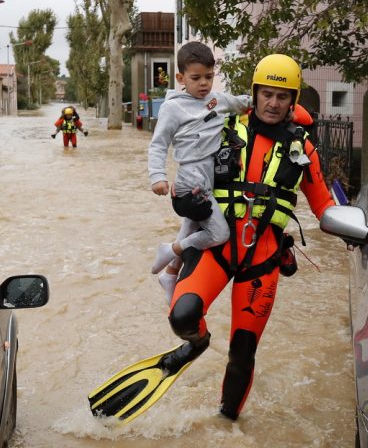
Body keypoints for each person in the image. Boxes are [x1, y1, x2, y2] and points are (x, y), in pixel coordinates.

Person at [88, 54, 335, 424]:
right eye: (266, 94)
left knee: (242, 353)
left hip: (262, 261)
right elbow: (177, 131)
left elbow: (325, 207)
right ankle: (197, 345)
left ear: (293, 100)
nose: (273, 103)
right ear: (254, 93)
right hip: (215, 247)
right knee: (182, 316)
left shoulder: (303, 151)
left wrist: (356, 233)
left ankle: (226, 425)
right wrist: (162, 177)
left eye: (282, 97)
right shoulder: (223, 123)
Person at [147, 41, 251, 306]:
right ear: (181, 78)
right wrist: (157, 176)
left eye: (209, 77)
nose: (203, 83)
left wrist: (259, 99)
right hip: (190, 178)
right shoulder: (173, 107)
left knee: (192, 225)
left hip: (209, 176)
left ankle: (170, 273)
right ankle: (171, 250)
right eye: (196, 78)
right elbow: (159, 143)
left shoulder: (216, 100)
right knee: (218, 234)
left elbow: (240, 104)